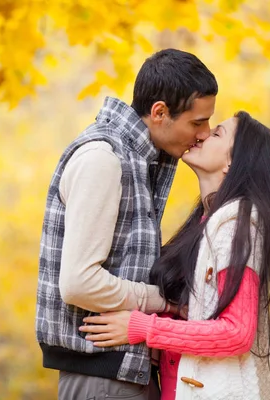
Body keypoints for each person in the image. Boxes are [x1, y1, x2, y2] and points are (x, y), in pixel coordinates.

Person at [35, 48, 218, 400]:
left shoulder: (138, 159)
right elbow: (78, 282)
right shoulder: (104, 159)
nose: (205, 133)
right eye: (197, 122)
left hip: (123, 369)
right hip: (102, 376)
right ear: (160, 112)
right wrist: (163, 303)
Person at [80, 112, 270, 400]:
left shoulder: (239, 227)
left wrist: (143, 328)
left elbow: (236, 333)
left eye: (217, 133)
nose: (203, 134)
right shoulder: (208, 223)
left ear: (233, 162)